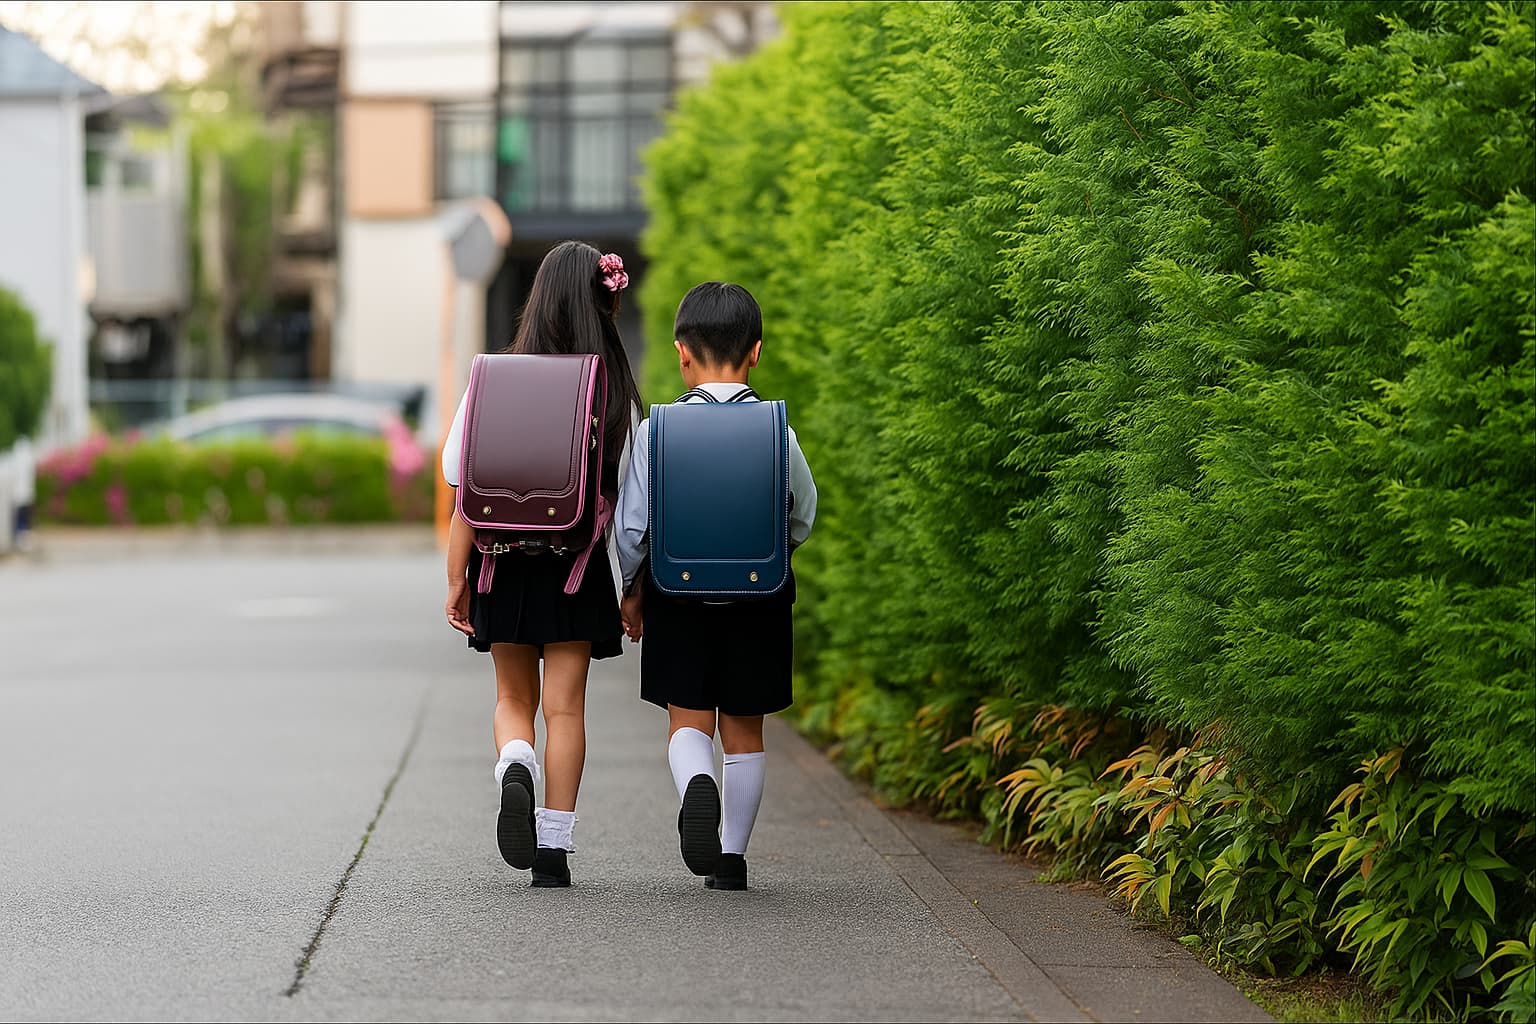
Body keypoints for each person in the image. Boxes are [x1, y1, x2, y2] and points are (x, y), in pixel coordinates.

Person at [442, 241, 641, 888]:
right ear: (602, 302)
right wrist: (634, 585)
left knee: (511, 699)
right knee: (566, 708)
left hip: (500, 565)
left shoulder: (493, 377)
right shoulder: (612, 393)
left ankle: (515, 760)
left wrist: (456, 580)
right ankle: (552, 848)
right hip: (576, 570)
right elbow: (632, 499)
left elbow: (459, 481)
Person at [616, 282, 817, 891]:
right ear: (756, 351)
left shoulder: (658, 431)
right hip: (759, 595)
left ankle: (695, 782)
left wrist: (629, 590)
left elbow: (632, 526)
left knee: (688, 720)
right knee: (745, 729)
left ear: (682, 352)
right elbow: (802, 512)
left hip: (678, 594)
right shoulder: (776, 430)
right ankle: (731, 859)